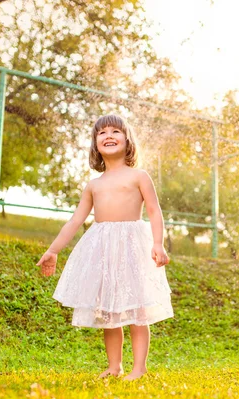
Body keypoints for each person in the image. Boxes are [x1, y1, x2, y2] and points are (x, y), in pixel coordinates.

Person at [36, 114, 173, 381]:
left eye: (115, 131)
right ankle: (114, 366)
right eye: (102, 133)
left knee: (137, 309)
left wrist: (158, 243)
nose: (108, 136)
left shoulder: (139, 176)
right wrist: (53, 250)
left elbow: (155, 212)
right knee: (109, 311)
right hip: (103, 250)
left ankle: (139, 367)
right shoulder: (94, 185)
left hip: (133, 247)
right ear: (95, 144)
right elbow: (76, 220)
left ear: (127, 140)